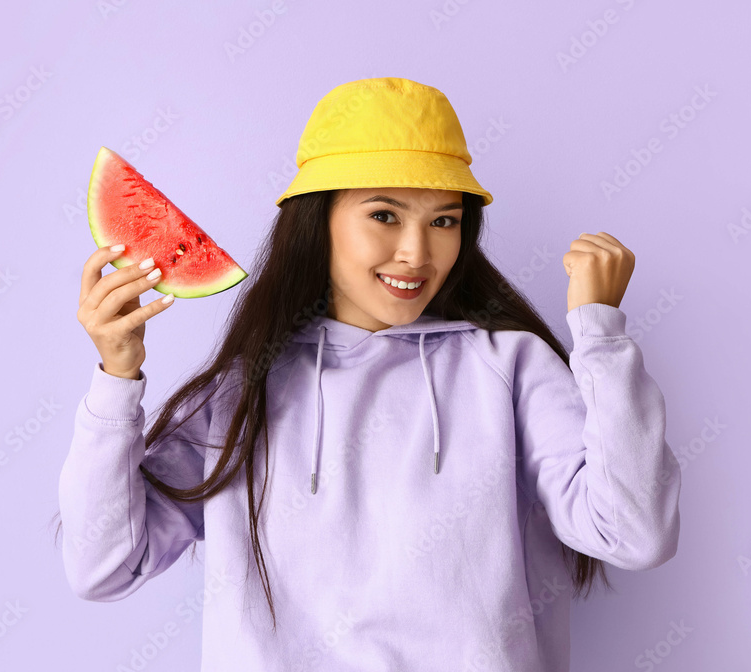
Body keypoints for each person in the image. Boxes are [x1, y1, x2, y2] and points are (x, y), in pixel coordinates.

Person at [58, 77, 681, 672]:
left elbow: (635, 533)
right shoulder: (241, 396)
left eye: (444, 220)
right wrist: (117, 379)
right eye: (384, 215)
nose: (417, 251)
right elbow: (102, 567)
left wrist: (601, 335)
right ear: (316, 221)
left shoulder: (511, 370)